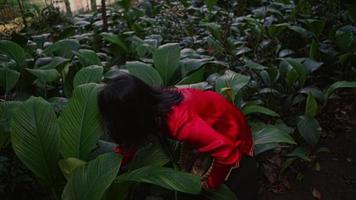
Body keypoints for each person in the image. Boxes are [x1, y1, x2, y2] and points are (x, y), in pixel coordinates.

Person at [97, 73, 258, 200]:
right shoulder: (153, 104)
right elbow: (132, 136)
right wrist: (113, 165)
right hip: (210, 127)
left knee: (236, 188)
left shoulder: (180, 124)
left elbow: (228, 153)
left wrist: (211, 183)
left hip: (231, 134)